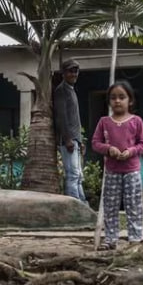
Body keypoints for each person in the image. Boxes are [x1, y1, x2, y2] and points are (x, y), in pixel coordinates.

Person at [91, 80, 143, 249]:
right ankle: (110, 240)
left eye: (122, 97)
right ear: (109, 101)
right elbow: (95, 143)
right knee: (111, 205)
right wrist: (109, 149)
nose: (117, 101)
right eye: (113, 97)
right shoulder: (104, 122)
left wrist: (130, 151)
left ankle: (135, 238)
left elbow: (142, 145)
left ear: (130, 100)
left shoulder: (136, 121)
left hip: (132, 171)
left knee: (134, 205)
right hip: (112, 171)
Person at [53, 59, 86, 202]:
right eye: (71, 71)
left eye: (76, 71)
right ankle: (74, 207)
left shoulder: (71, 90)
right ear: (63, 73)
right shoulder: (61, 90)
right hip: (68, 140)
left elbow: (74, 118)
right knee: (72, 175)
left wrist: (80, 139)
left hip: (75, 139)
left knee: (78, 175)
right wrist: (67, 139)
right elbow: (61, 116)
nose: (74, 74)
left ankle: (83, 206)